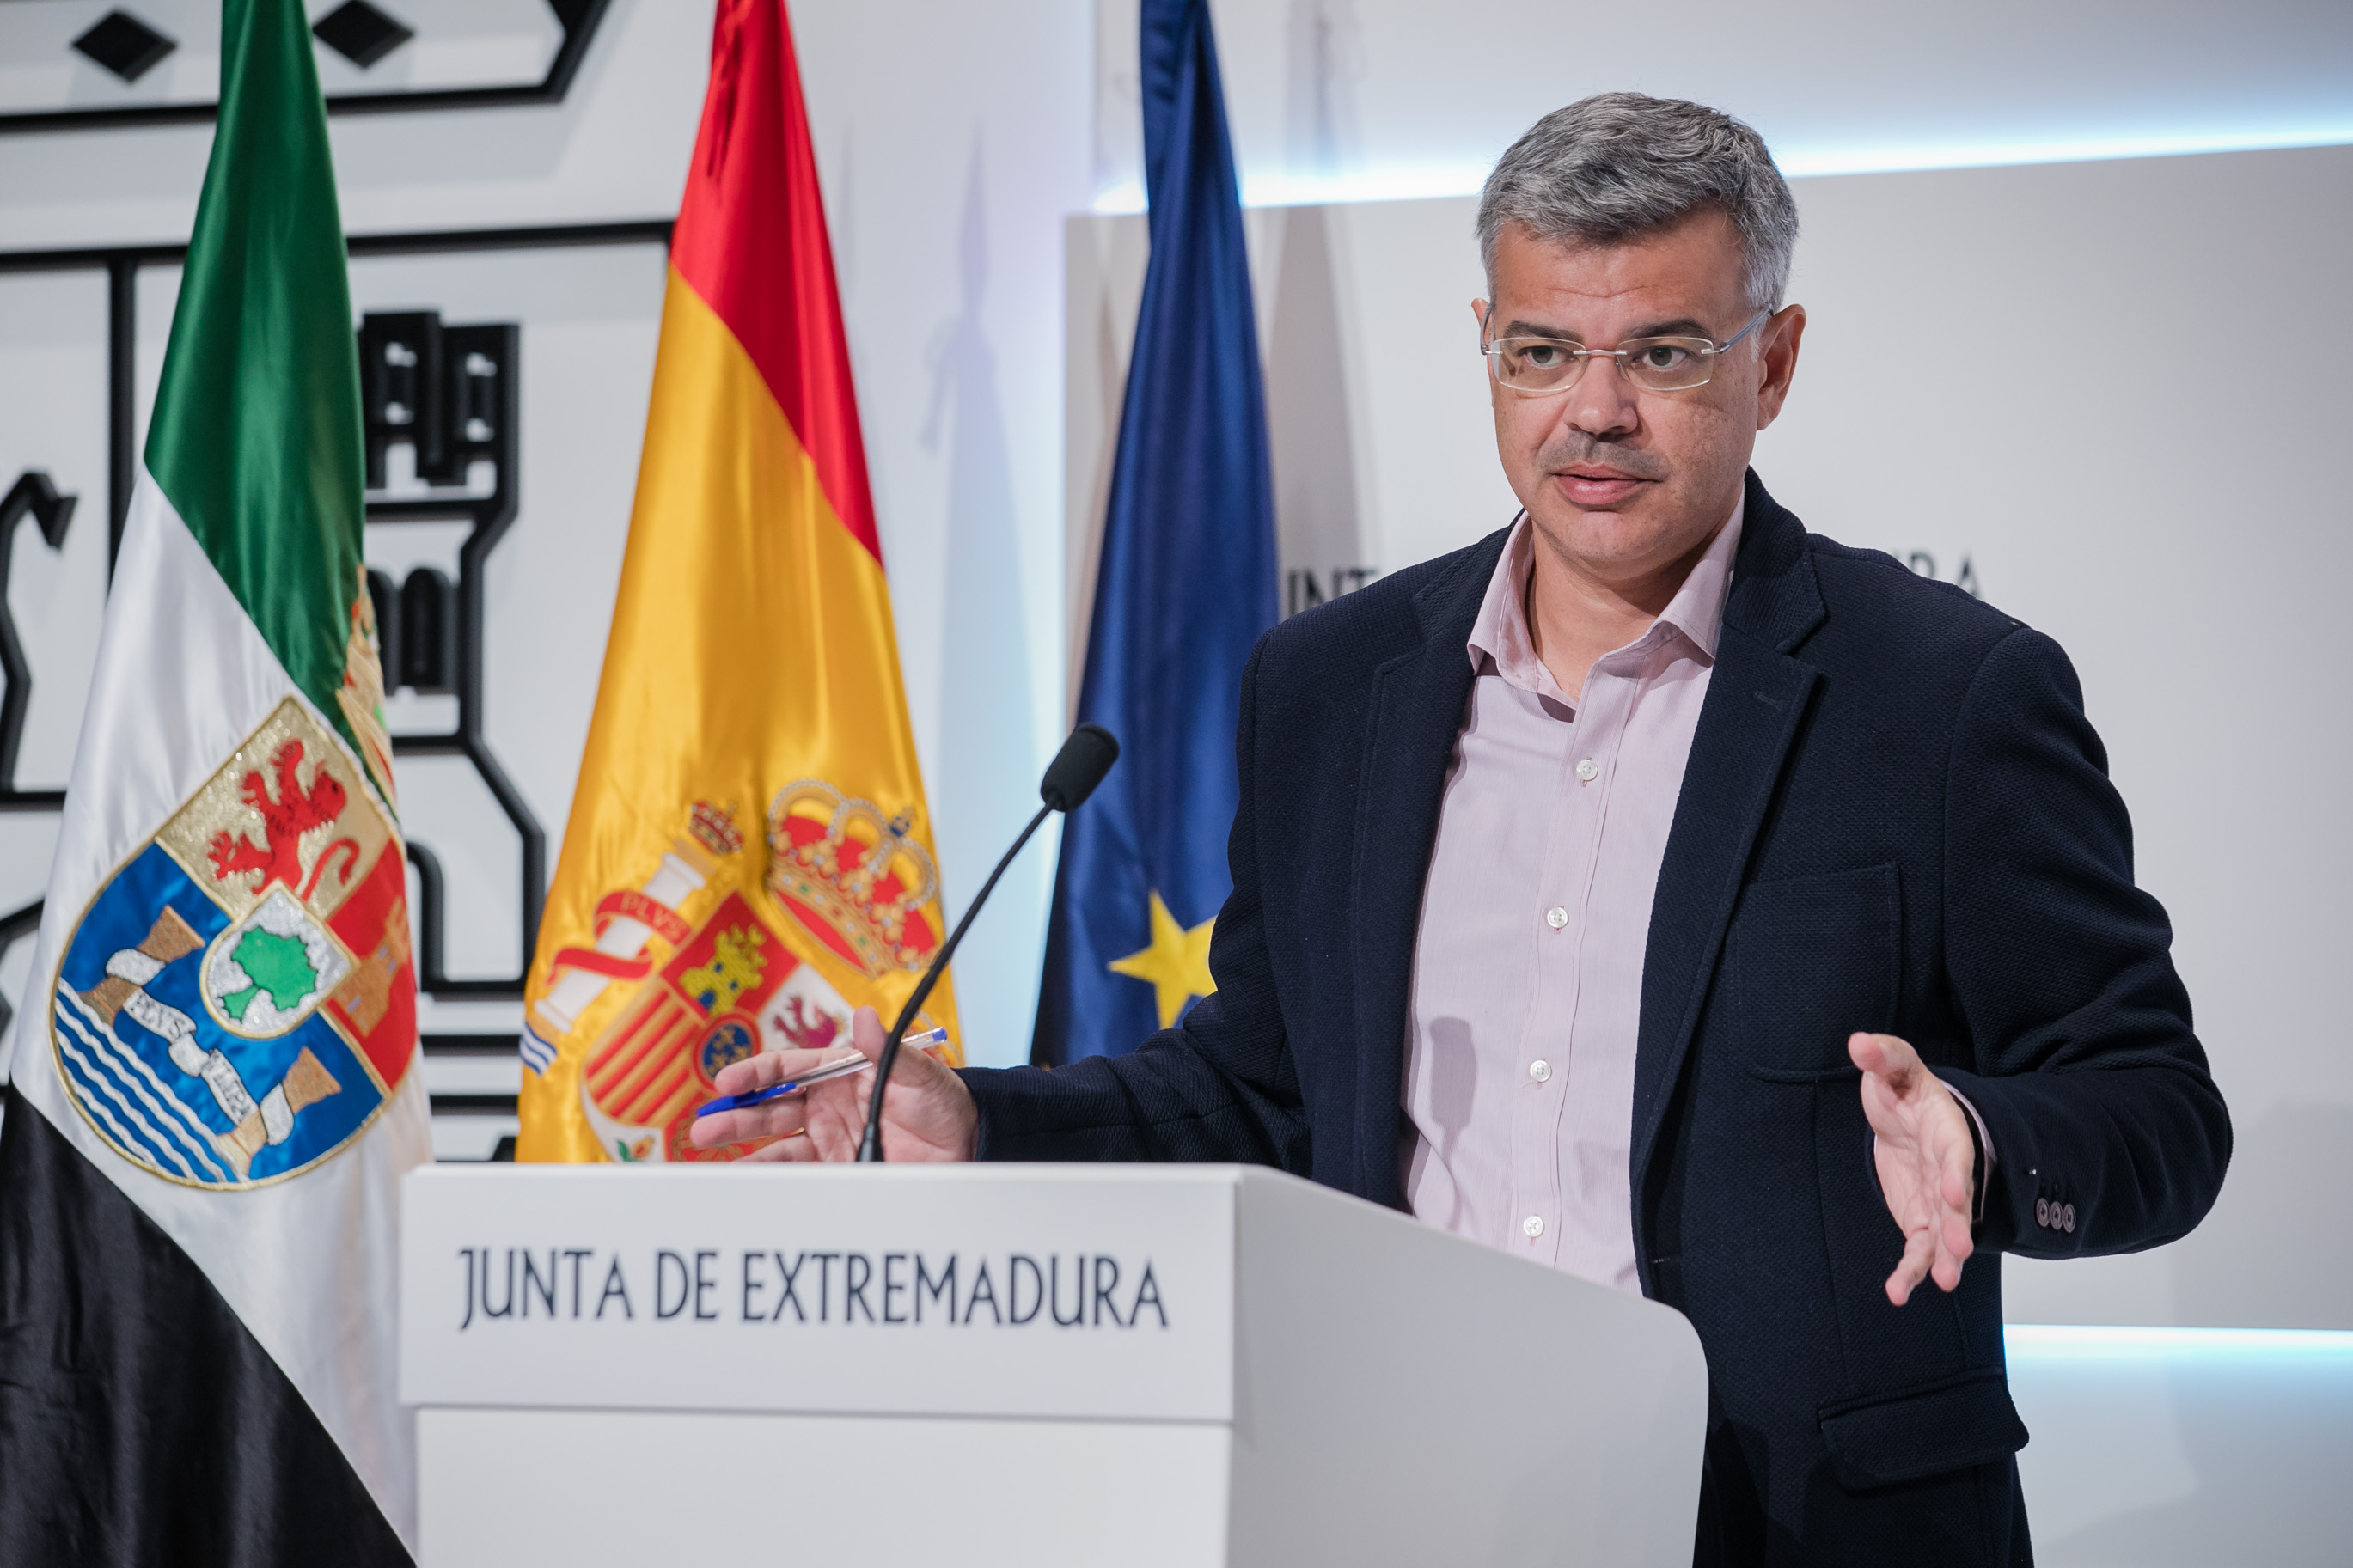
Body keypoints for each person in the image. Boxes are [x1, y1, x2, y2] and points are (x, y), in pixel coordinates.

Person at [695, 92, 2231, 1565]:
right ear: (1484, 350)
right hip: (1404, 1503)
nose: (1595, 413)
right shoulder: (1327, 687)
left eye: (1665, 353)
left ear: (1774, 363)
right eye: (1543, 349)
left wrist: (1978, 1132)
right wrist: (987, 1119)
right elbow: (1261, 1089)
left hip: (1799, 1524)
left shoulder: (1945, 693)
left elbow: (2157, 1107)